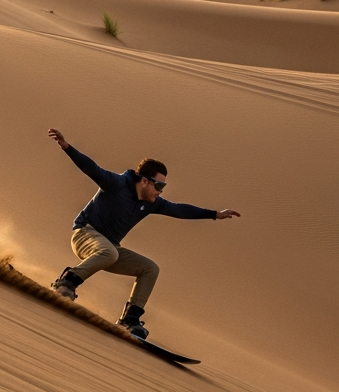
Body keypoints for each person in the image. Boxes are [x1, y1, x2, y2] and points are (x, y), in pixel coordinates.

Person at [46, 128, 240, 339]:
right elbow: (92, 168)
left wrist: (214, 214)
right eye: (159, 184)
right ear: (145, 181)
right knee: (109, 252)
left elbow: (179, 209)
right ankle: (67, 283)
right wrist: (67, 147)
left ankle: (130, 319)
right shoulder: (117, 184)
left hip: (109, 248)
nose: (161, 190)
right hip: (85, 234)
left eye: (163, 186)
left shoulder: (151, 203)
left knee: (150, 268)